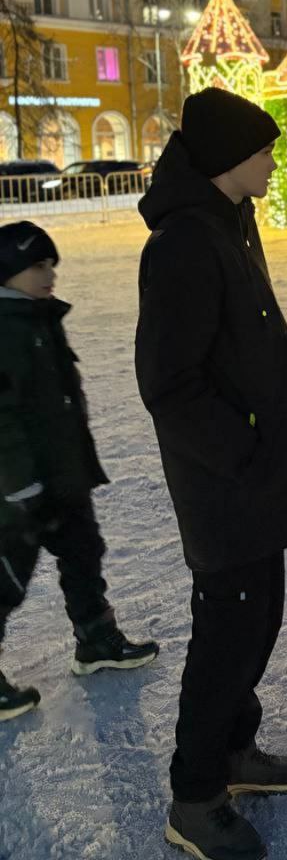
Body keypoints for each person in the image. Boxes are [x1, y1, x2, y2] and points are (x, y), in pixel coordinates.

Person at [136, 87, 287, 860]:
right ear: (228, 161)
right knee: (227, 633)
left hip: (257, 476)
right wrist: (246, 451)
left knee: (257, 621)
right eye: (263, 152)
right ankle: (195, 794)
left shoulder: (228, 224)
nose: (274, 163)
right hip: (228, 485)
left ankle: (233, 750)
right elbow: (169, 384)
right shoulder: (185, 243)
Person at [0, 222, 158, 722]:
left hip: (64, 475)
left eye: (53, 265)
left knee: (84, 552)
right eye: (38, 266)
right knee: (6, 580)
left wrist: (77, 466)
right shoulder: (4, 329)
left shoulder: (38, 317)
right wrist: (19, 484)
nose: (50, 275)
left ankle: (95, 639)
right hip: (19, 489)